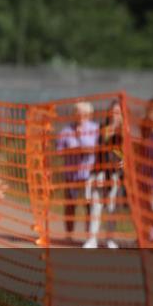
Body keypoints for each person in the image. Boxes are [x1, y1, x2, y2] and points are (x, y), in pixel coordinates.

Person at [56, 101, 99, 243]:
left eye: (84, 113)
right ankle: (69, 235)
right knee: (69, 205)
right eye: (77, 113)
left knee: (89, 206)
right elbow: (59, 150)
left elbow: (94, 148)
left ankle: (89, 238)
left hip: (88, 175)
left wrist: (81, 138)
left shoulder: (95, 128)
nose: (80, 116)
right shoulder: (66, 130)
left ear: (89, 114)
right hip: (71, 175)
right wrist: (72, 150)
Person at [84, 100, 123, 249]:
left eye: (118, 112)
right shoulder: (101, 128)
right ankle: (92, 239)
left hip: (116, 175)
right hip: (100, 172)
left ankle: (110, 239)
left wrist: (120, 158)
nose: (115, 114)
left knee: (113, 208)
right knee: (96, 206)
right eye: (113, 111)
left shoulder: (124, 131)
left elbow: (124, 153)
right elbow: (99, 149)